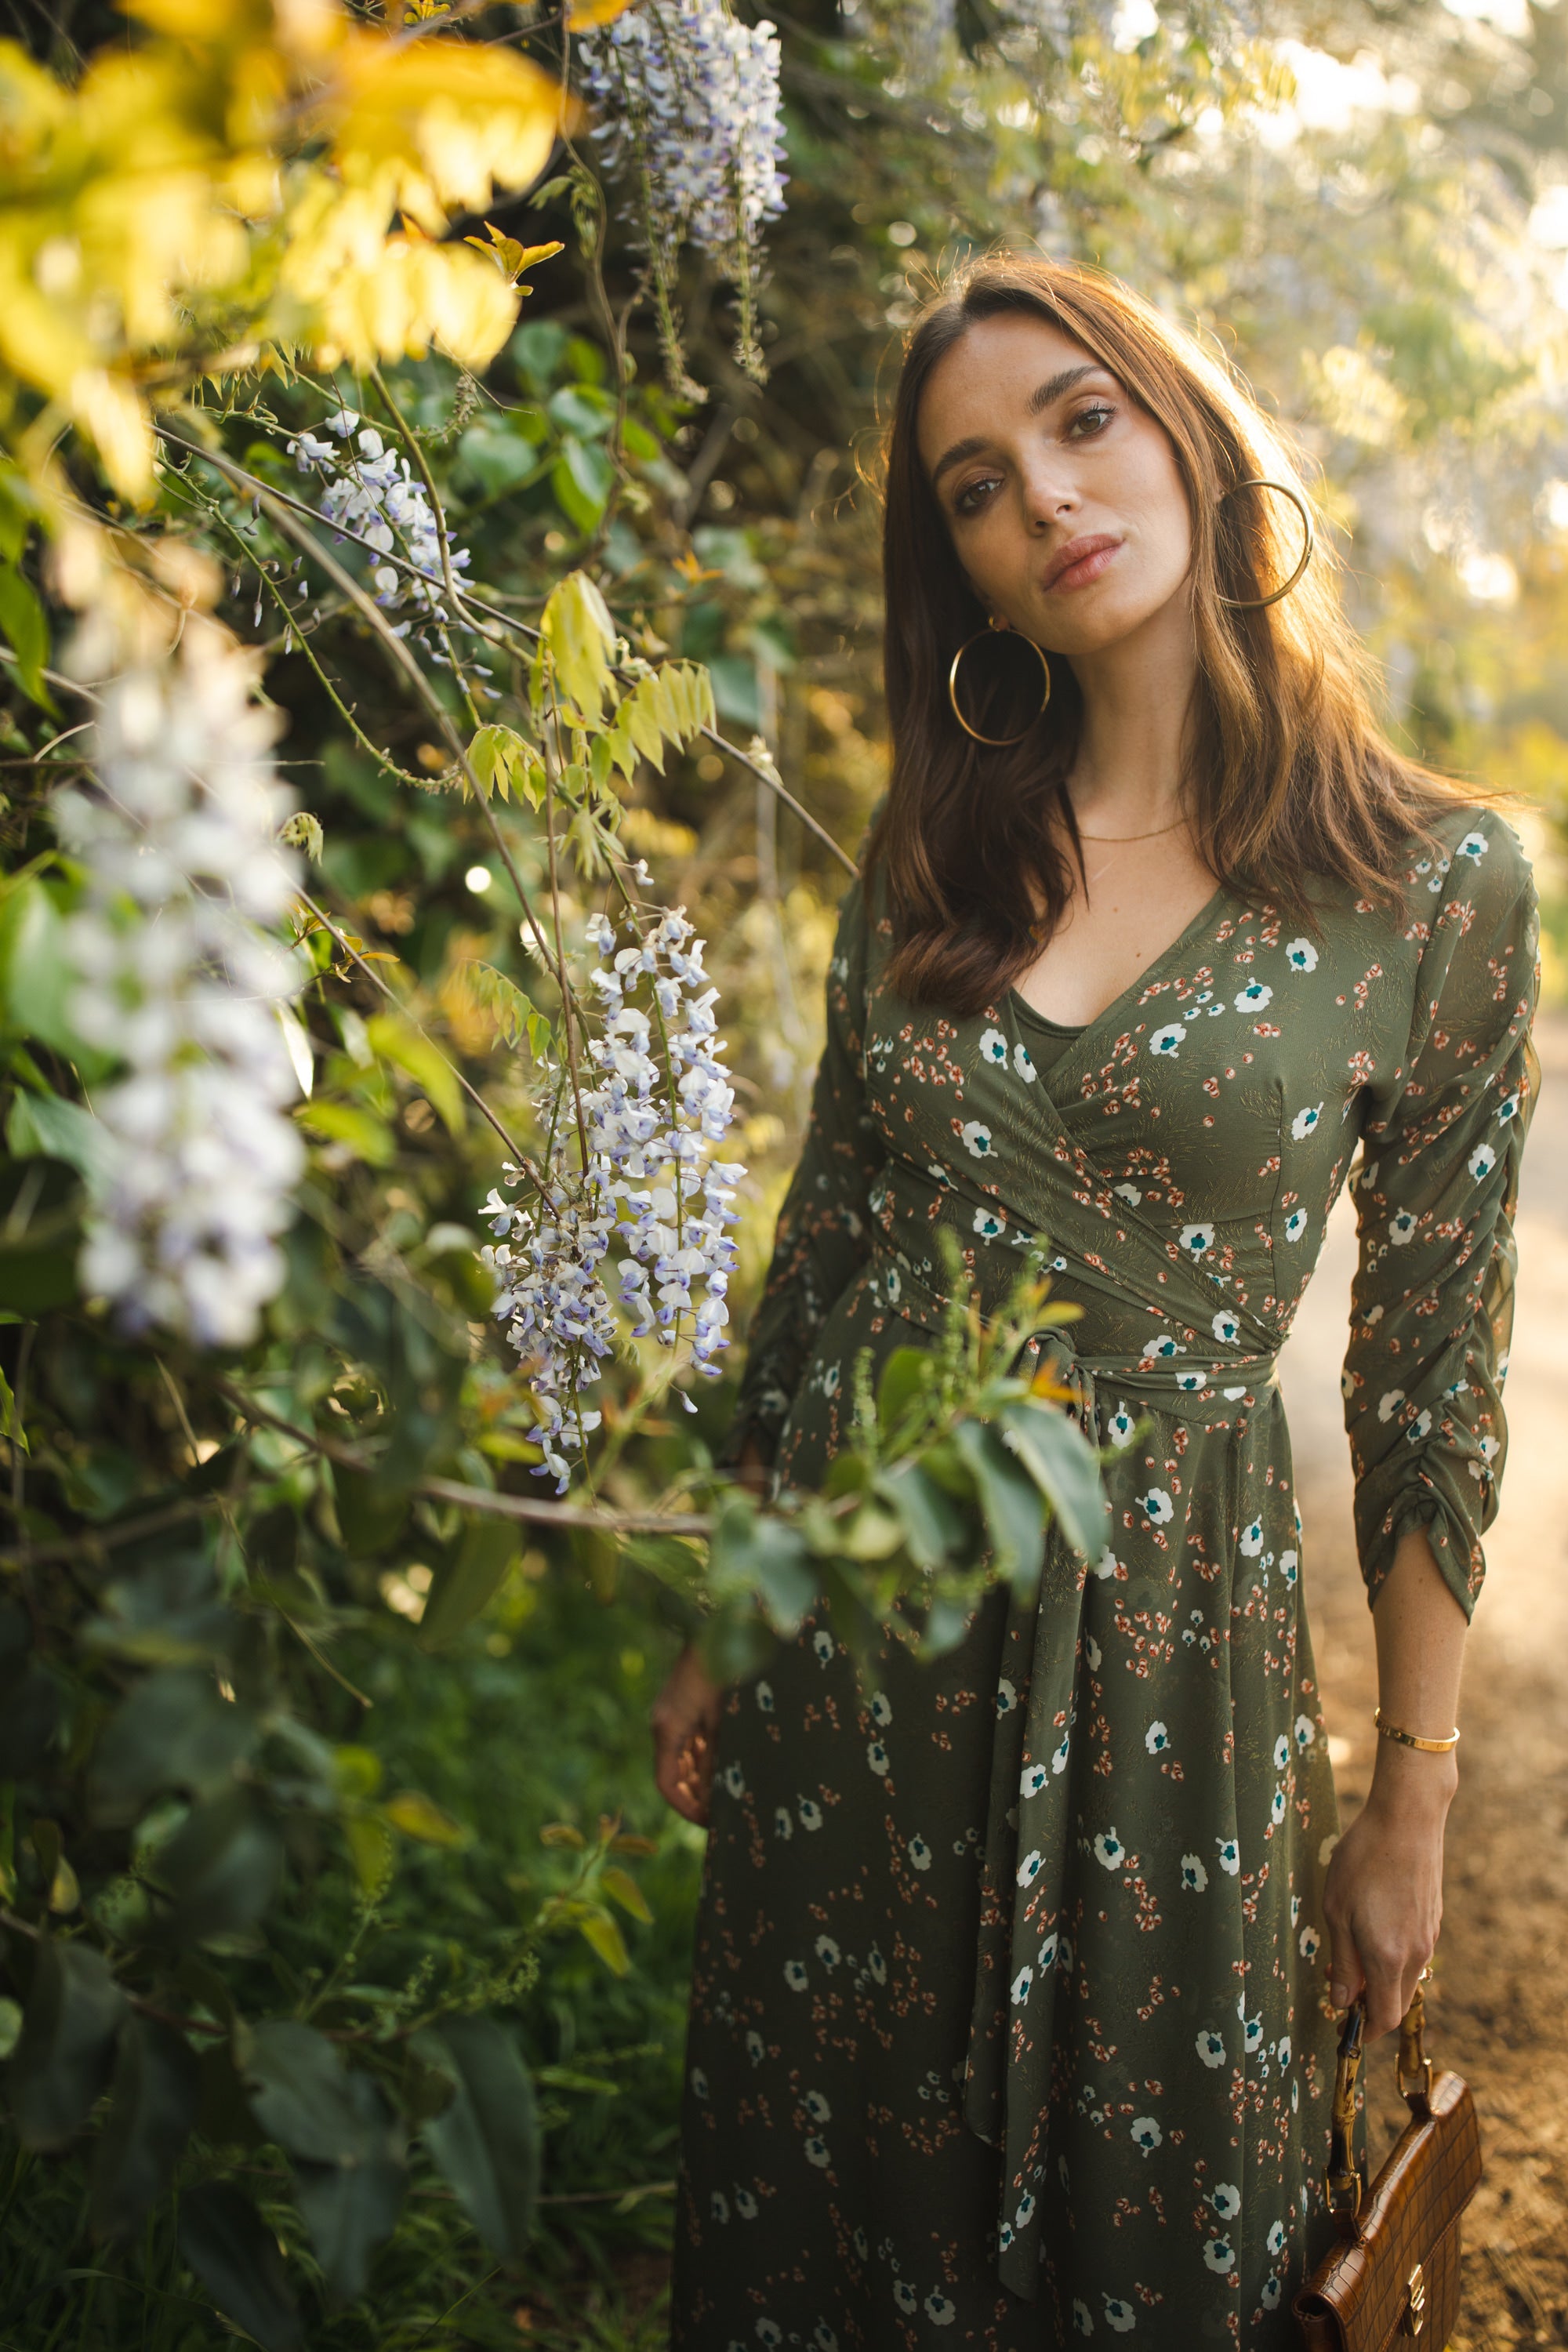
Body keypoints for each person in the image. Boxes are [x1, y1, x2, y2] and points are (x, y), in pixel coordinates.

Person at [655, 256, 1539, 2348]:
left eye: (1079, 420)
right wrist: (729, 1602)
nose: (1041, 497)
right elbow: (832, 1242)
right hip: (859, 1637)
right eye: (974, 485)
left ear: (1184, 423)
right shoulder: (938, 850)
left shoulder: (1438, 885)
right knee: (829, 2205)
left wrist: (1411, 1805)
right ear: (956, 570)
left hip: (1166, 1663)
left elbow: (1430, 1384)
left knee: (1144, 2244)